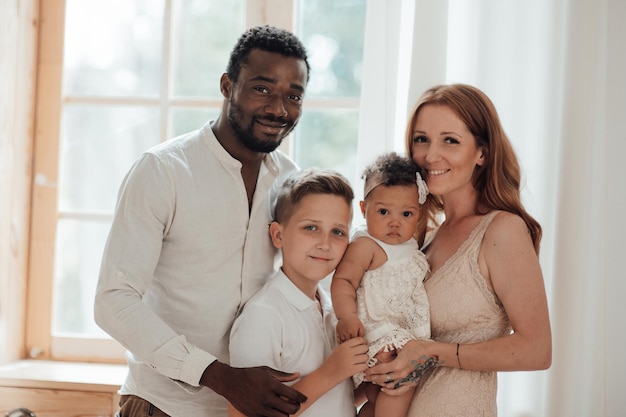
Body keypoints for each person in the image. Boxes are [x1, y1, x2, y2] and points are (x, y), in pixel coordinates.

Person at [94, 25, 312, 417]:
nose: (279, 109)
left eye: (293, 96)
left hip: (250, 411)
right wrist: (220, 376)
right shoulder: (163, 171)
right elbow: (113, 301)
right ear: (228, 85)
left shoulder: (290, 181)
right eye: (262, 88)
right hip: (162, 406)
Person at [365, 84, 552, 417]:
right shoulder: (420, 239)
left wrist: (428, 351)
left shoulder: (501, 230)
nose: (431, 155)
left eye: (449, 140)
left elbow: (536, 350)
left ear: (482, 152)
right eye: (422, 139)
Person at [228, 169, 369, 417]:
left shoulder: (334, 309)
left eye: (338, 232)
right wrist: (331, 372)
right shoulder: (264, 317)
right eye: (311, 227)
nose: (325, 243)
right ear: (278, 235)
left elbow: (332, 398)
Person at [331, 152, 436, 417]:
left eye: (406, 213)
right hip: (379, 332)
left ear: (418, 213)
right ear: (365, 209)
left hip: (403, 334)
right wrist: (346, 316)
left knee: (379, 396)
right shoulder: (366, 245)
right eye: (383, 211)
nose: (395, 222)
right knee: (398, 383)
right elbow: (343, 280)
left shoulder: (411, 246)